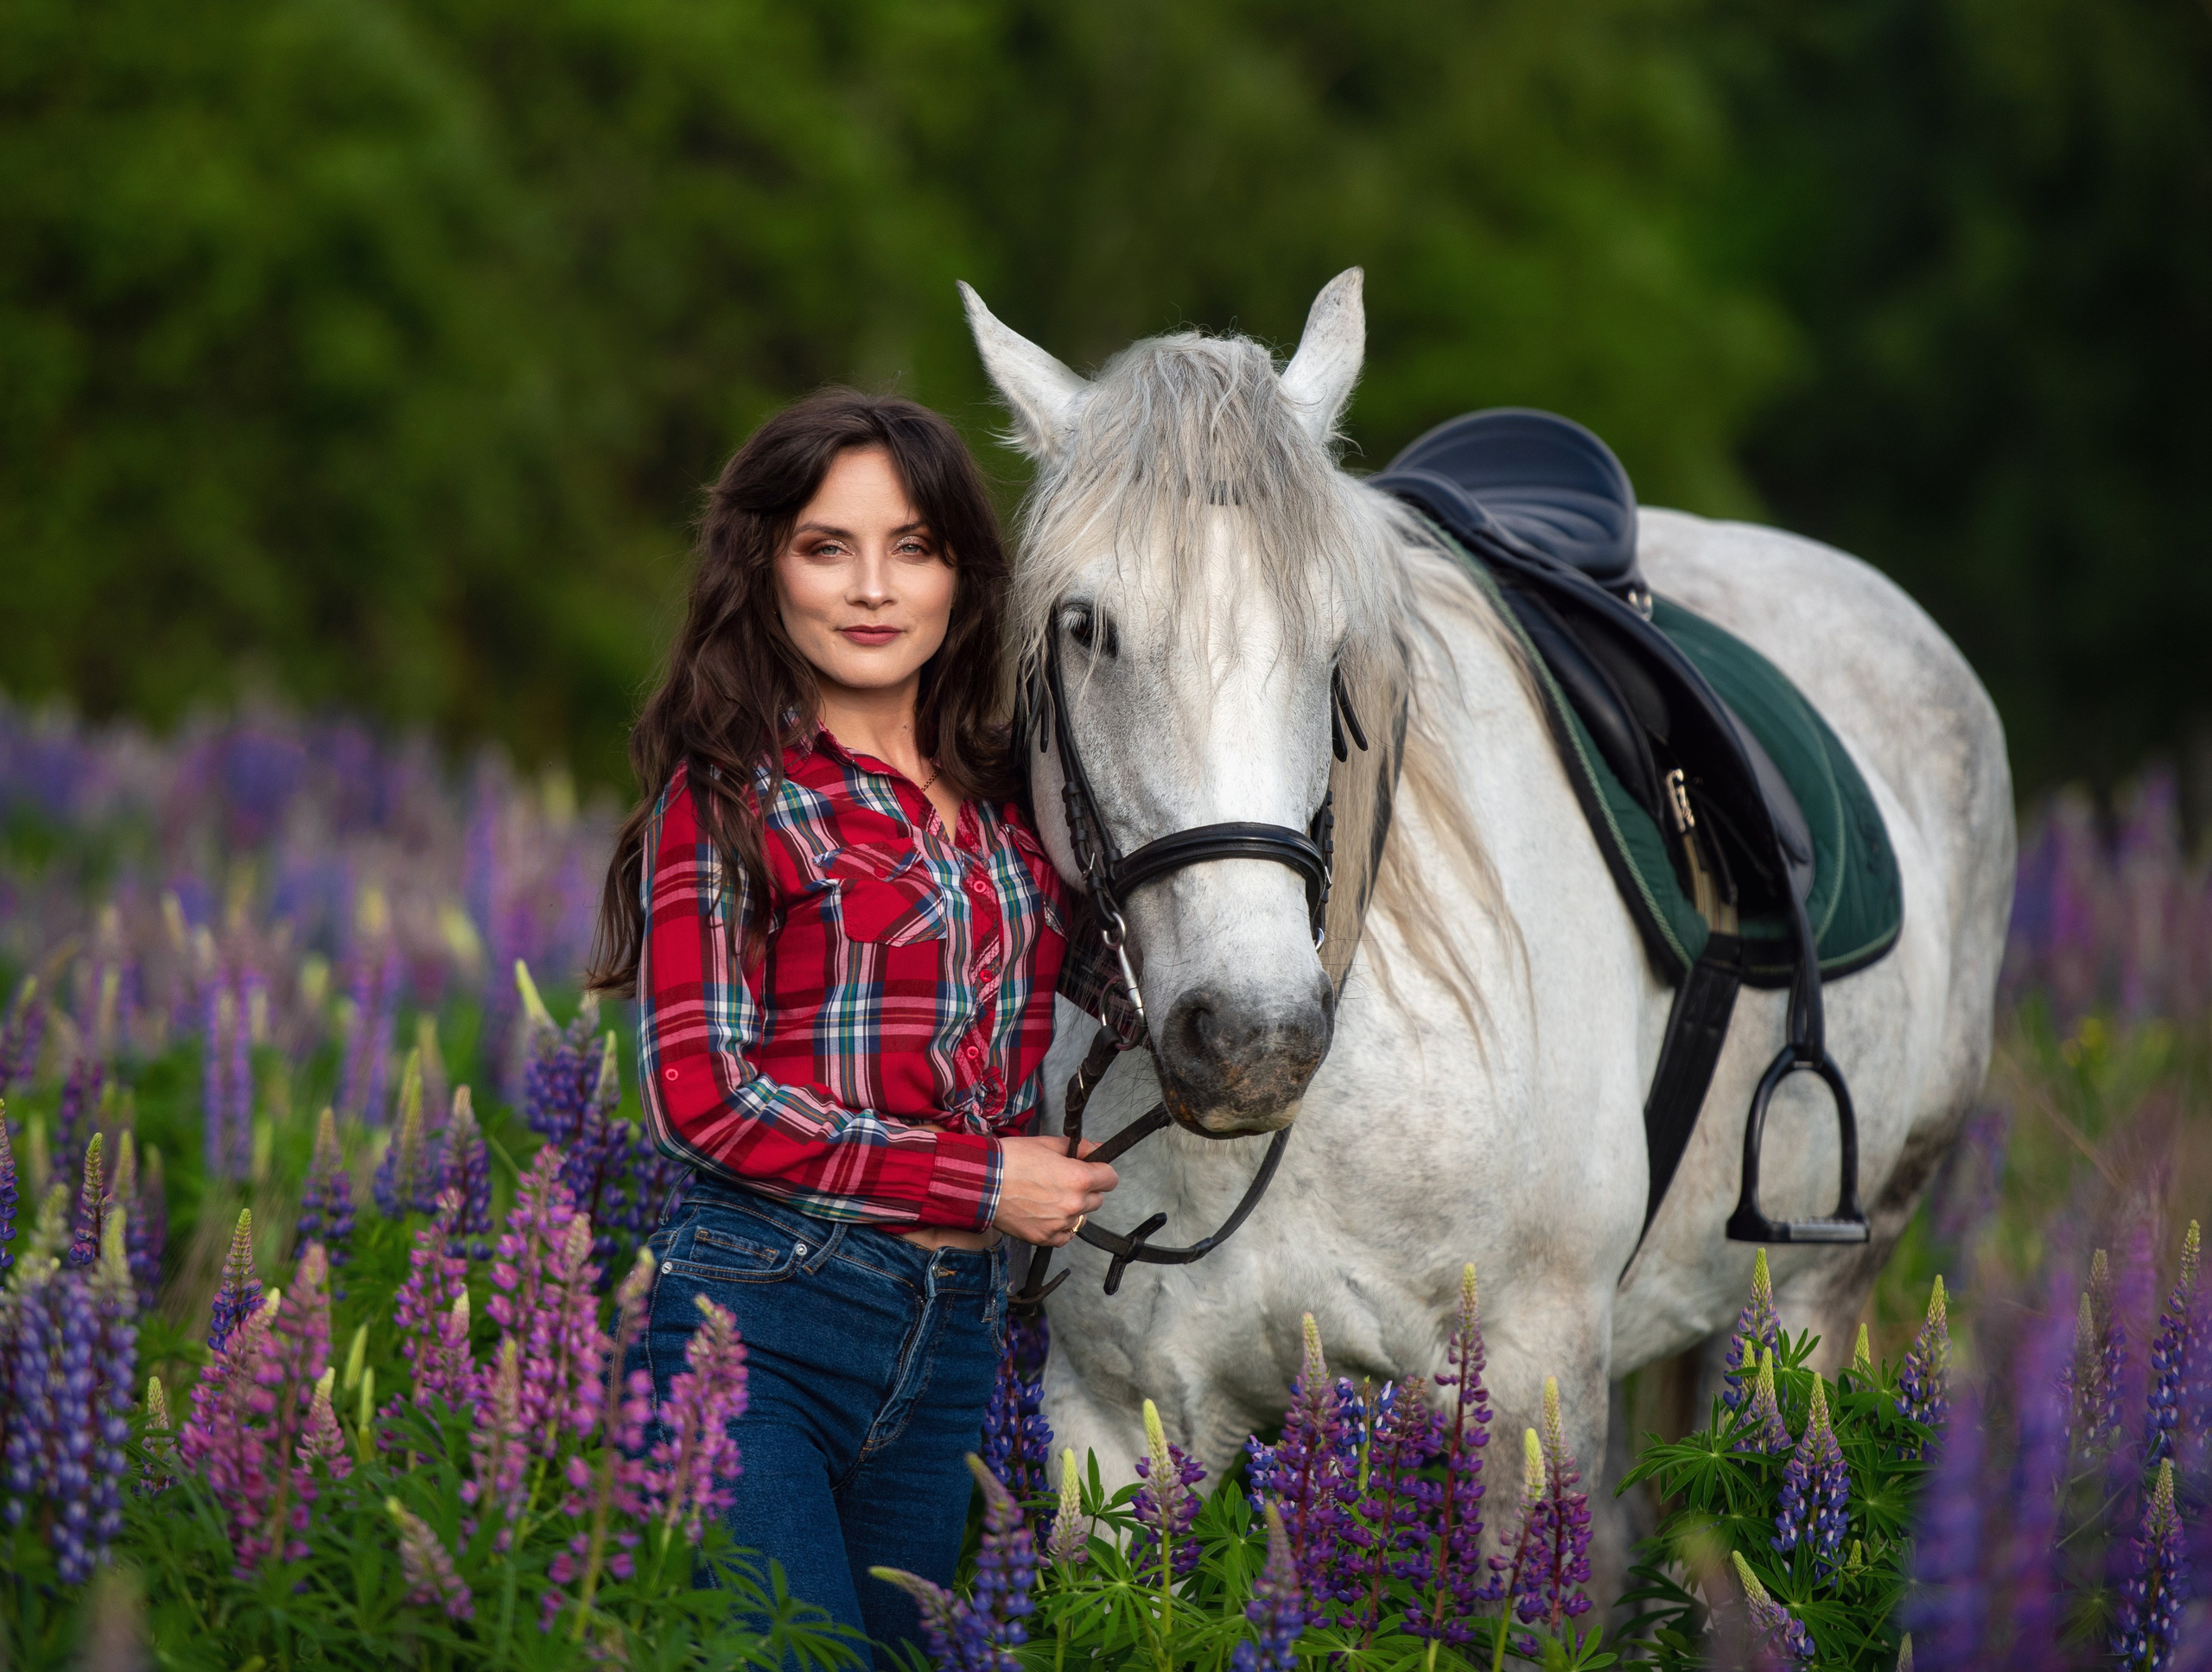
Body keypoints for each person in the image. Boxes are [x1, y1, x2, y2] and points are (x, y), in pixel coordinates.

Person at [588, 388, 1120, 1663]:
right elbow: (700, 1100)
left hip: (951, 1357)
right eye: (829, 547)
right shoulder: (724, 800)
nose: (873, 588)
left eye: (914, 548)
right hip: (755, 1326)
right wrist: (980, 1173)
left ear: (961, 577)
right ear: (765, 568)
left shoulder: (1017, 804)